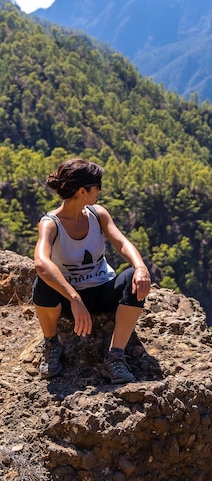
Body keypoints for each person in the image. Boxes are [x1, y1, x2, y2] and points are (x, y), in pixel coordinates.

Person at [32, 158, 151, 383]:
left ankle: (115, 357)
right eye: (97, 187)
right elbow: (41, 263)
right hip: (69, 299)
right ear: (82, 191)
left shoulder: (97, 214)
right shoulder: (51, 223)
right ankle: (51, 344)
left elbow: (122, 243)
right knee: (42, 282)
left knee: (132, 280)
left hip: (102, 290)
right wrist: (74, 298)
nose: (100, 191)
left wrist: (140, 267)